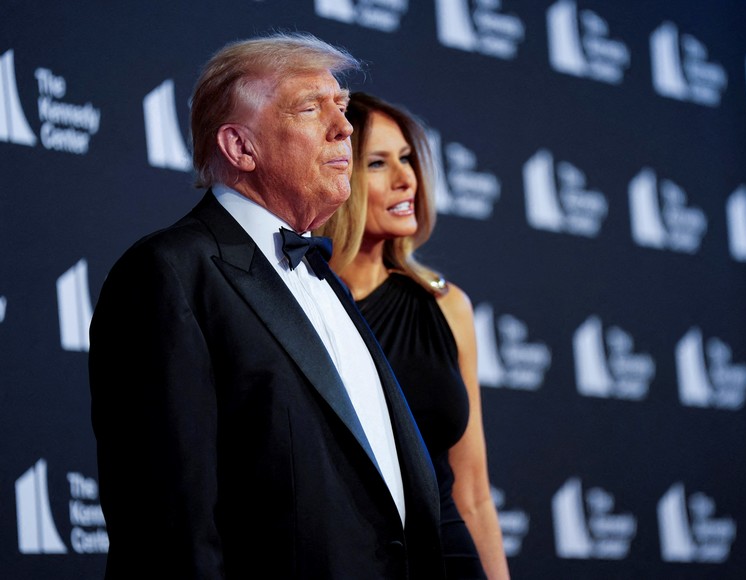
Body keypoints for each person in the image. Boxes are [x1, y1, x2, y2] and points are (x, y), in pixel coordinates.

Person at [89, 34, 445, 579]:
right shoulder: (169, 273)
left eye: (341, 106)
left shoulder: (325, 278)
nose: (344, 127)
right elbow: (169, 521)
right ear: (240, 148)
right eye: (311, 107)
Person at [318, 93, 510, 580]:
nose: (408, 179)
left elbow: (473, 493)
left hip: (449, 560)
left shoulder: (447, 305)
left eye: (407, 158)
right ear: (337, 174)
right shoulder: (304, 306)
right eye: (379, 163)